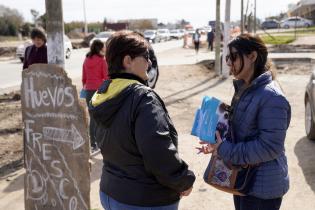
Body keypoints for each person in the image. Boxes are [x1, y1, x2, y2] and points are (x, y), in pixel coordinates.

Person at [89, 31, 195, 210]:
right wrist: (183, 180)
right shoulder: (142, 98)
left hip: (110, 193)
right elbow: (159, 153)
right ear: (128, 61)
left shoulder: (103, 93)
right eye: (146, 56)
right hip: (144, 199)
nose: (150, 62)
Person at [197, 34, 291, 210]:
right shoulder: (245, 88)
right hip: (244, 182)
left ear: (252, 57)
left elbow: (270, 147)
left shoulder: (272, 97)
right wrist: (216, 143)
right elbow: (241, 131)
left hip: (263, 189)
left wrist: (225, 149)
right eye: (227, 57)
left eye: (233, 56)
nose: (229, 62)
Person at [82, 39, 109, 151]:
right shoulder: (102, 60)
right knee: (102, 117)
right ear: (99, 48)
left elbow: (84, 77)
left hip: (89, 91)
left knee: (92, 118)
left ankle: (93, 144)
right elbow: (107, 77)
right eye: (103, 47)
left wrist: (86, 85)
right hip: (100, 91)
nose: (104, 48)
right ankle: (101, 142)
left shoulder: (86, 60)